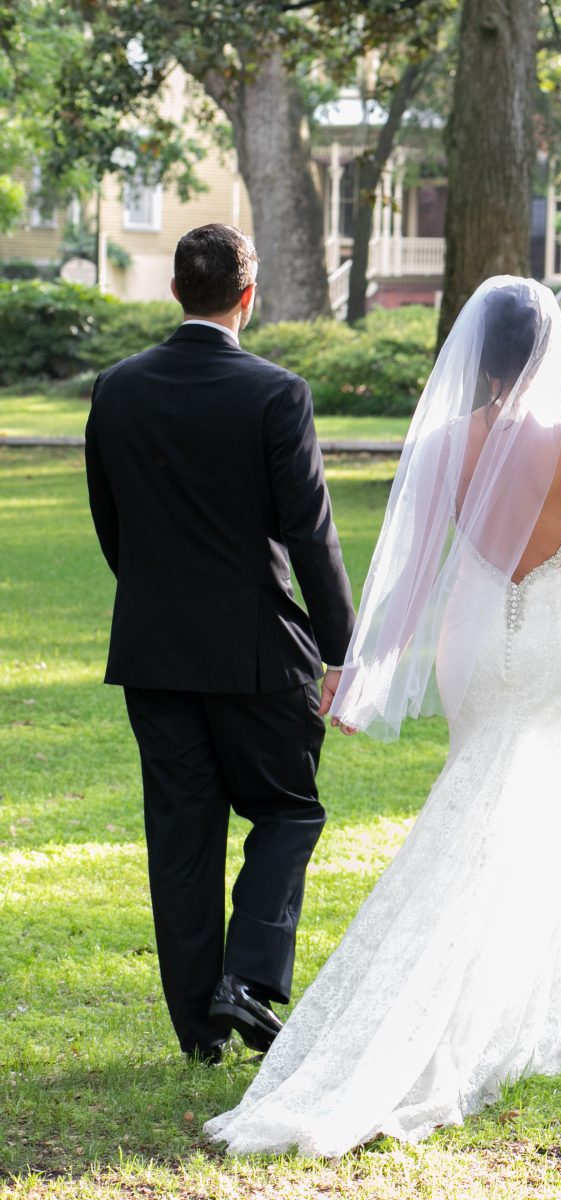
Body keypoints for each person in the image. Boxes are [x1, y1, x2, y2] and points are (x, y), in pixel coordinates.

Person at [204, 276, 561, 1157]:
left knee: (472, 804)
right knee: (533, 823)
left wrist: (355, 677)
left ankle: (468, 1013)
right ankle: (480, 1020)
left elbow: (402, 580)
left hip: (468, 650)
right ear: (549, 348)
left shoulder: (443, 442)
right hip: (557, 653)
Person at [85, 223, 357, 1065]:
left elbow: (111, 525)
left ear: (175, 292)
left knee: (182, 837)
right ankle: (248, 976)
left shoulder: (115, 388)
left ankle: (200, 1031)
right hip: (257, 653)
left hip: (154, 650)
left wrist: (159, 598)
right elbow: (310, 537)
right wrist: (343, 651)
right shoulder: (278, 393)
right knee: (288, 808)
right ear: (250, 296)